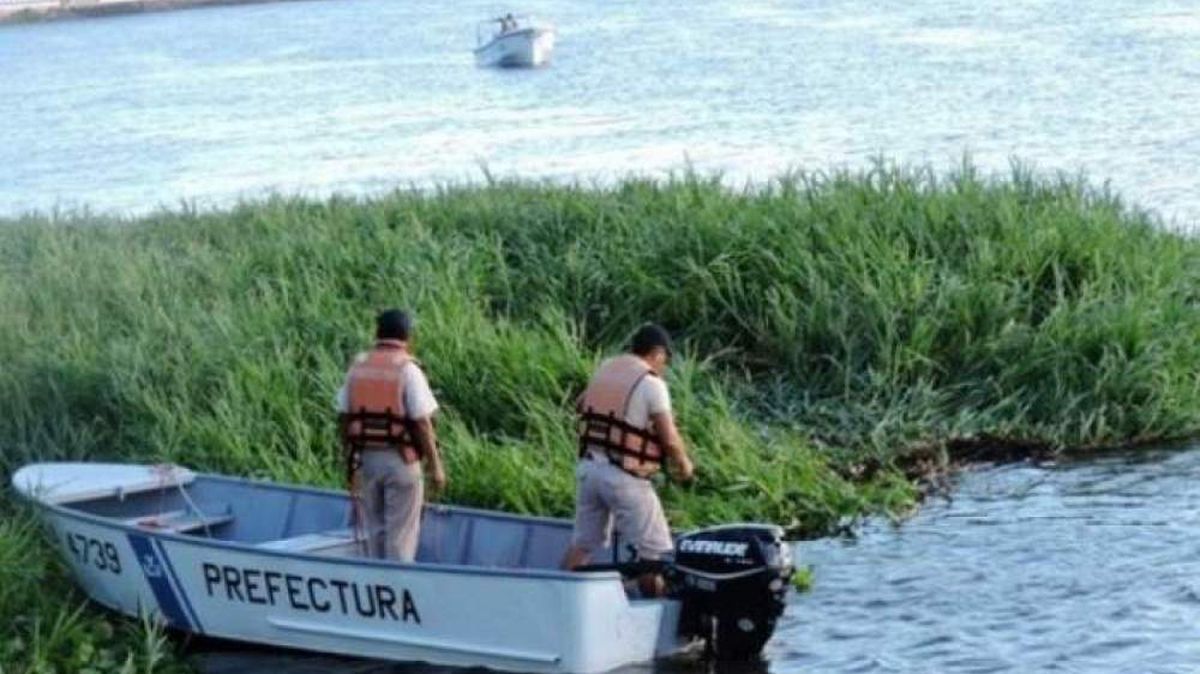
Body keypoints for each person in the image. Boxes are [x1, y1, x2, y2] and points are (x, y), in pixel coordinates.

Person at [563, 323, 695, 596]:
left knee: (583, 545)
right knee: (654, 553)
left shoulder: (606, 369)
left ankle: (559, 595)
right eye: (665, 359)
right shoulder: (652, 384)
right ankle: (653, 610)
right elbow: (670, 438)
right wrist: (685, 466)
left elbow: (580, 405)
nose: (664, 366)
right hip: (623, 477)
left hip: (589, 470)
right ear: (657, 353)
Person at [337, 309, 446, 562]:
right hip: (401, 461)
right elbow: (422, 422)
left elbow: (344, 416)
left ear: (377, 334)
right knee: (400, 537)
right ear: (408, 336)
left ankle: (376, 582)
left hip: (367, 461)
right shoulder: (408, 369)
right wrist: (436, 466)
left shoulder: (357, 368)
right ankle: (397, 583)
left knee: (375, 532)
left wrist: (349, 459)